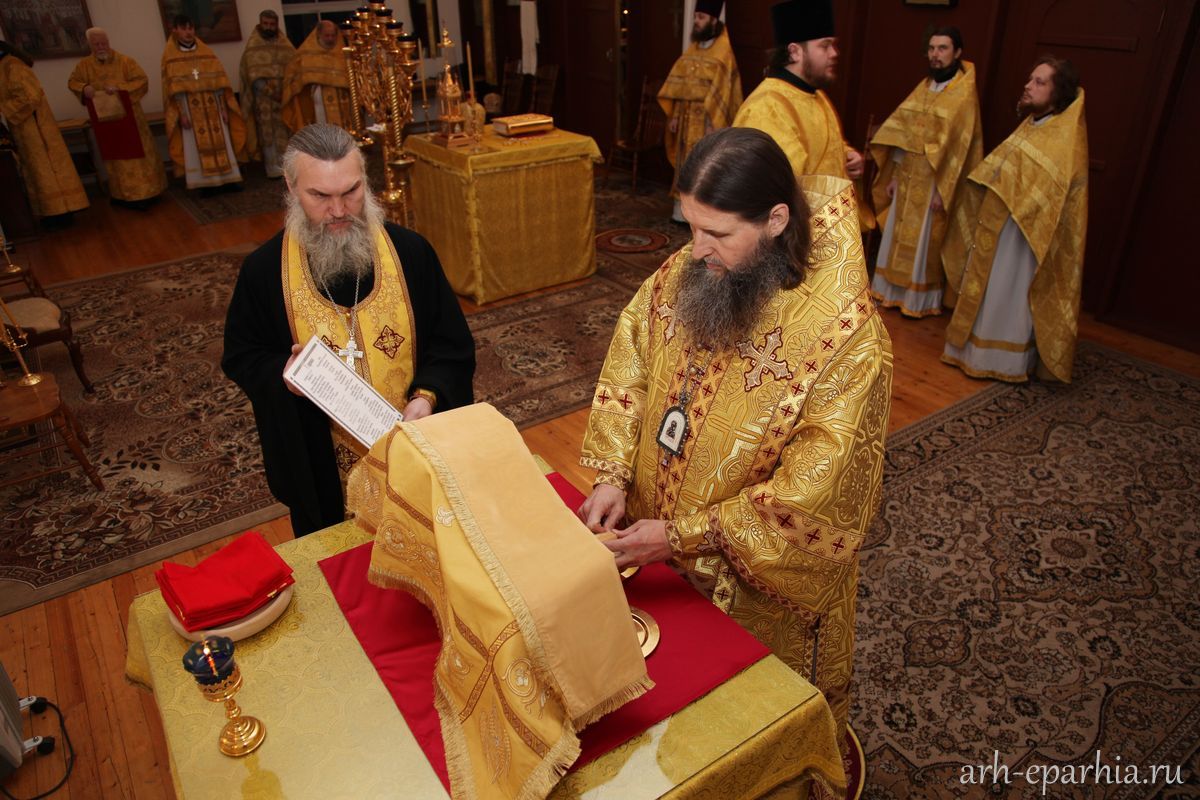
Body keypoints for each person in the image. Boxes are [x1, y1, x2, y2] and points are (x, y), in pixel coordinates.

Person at [577, 127, 893, 744]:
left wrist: (681, 536)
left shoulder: (847, 343)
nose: (696, 251)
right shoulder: (689, 269)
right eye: (691, 227)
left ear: (776, 220)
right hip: (654, 550)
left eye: (717, 233)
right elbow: (632, 358)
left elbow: (812, 502)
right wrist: (613, 473)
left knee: (741, 735)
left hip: (756, 593)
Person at [222, 124, 475, 536]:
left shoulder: (411, 254)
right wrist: (281, 374)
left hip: (416, 455)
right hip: (320, 468)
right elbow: (242, 355)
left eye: (351, 191)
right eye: (320, 196)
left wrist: (427, 397)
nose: (339, 210)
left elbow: (451, 345)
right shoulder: (264, 272)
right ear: (290, 187)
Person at [941, 57, 1088, 383]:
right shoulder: (1033, 125)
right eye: (1030, 79)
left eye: (1039, 82)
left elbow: (1050, 198)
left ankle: (1001, 361)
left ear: (1058, 92)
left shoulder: (1061, 138)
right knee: (990, 290)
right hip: (999, 227)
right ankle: (971, 352)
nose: (1028, 86)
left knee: (1008, 293)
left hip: (1024, 238)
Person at [869, 26, 982, 317]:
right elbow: (904, 133)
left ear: (957, 52)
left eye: (942, 48)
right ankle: (888, 292)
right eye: (932, 48)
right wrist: (895, 174)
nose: (935, 54)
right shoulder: (924, 87)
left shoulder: (963, 95)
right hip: (908, 174)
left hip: (935, 181)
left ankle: (916, 301)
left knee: (923, 242)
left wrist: (946, 191)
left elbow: (961, 152)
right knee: (896, 235)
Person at [733, 0, 863, 187]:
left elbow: (823, 147)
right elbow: (778, 185)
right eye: (825, 46)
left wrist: (848, 155)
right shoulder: (768, 108)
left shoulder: (815, 95)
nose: (834, 53)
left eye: (834, 45)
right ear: (795, 52)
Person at [657, 0, 742, 224]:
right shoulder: (693, 49)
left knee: (705, 165)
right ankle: (680, 212)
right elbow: (681, 87)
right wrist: (675, 116)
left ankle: (702, 215)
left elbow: (725, 93)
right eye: (695, 17)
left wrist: (714, 124)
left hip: (706, 120)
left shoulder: (724, 52)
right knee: (685, 165)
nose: (696, 21)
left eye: (701, 17)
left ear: (713, 20)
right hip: (686, 119)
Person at [67, 28, 168, 210]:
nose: (101, 47)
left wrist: (119, 88)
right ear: (90, 45)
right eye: (96, 44)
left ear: (108, 42)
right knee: (116, 159)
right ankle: (121, 194)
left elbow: (142, 81)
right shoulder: (84, 66)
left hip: (131, 119)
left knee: (138, 156)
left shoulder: (125, 61)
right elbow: (73, 82)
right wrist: (84, 88)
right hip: (106, 123)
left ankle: (147, 192)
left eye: (103, 43)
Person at [0, 41, 89, 223]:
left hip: (36, 130)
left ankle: (61, 213)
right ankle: (51, 212)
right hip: (25, 129)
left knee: (48, 171)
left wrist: (3, 108)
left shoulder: (13, 66)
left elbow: (30, 97)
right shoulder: (4, 66)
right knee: (37, 172)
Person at [161, 14, 246, 192]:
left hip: (213, 106)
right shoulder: (171, 57)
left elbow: (219, 84)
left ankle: (228, 180)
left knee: (222, 143)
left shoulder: (206, 52)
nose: (188, 32)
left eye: (191, 28)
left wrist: (223, 108)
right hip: (190, 109)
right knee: (194, 147)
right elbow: (174, 91)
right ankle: (205, 185)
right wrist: (181, 114)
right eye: (184, 28)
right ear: (175, 30)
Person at [239, 10, 295, 178]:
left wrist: (286, 92)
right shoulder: (253, 47)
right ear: (260, 24)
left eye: (272, 24)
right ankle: (273, 169)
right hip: (264, 100)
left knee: (287, 131)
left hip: (284, 98)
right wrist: (270, 92)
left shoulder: (285, 45)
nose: (269, 27)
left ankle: (290, 169)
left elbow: (294, 69)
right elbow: (253, 76)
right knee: (268, 134)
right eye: (266, 24)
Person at [282, 21, 352, 133]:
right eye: (327, 35)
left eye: (333, 35)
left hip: (343, 105)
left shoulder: (343, 55)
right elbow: (295, 81)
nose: (330, 39)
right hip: (319, 106)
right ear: (318, 35)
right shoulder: (306, 55)